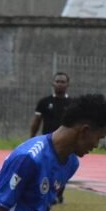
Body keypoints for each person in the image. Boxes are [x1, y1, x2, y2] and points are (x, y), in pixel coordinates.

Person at [30, 72, 71, 203]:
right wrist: (32, 138)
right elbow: (36, 121)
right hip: (48, 142)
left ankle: (59, 194)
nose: (60, 84)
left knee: (63, 169)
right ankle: (45, 192)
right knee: (46, 168)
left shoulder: (72, 103)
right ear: (53, 84)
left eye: (63, 82)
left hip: (66, 143)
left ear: (68, 85)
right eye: (57, 81)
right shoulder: (44, 102)